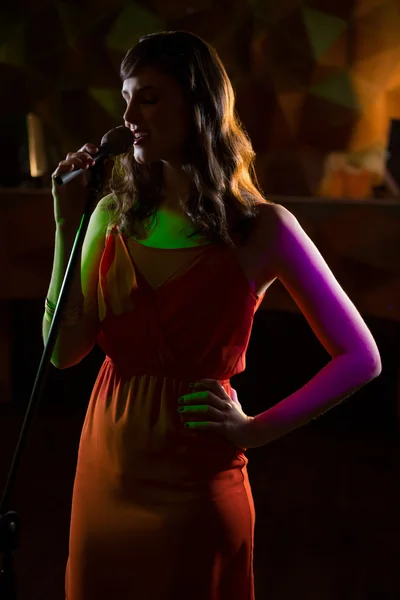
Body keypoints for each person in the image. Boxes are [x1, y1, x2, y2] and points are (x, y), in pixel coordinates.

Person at [43, 30, 381, 600]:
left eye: (148, 97)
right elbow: (62, 351)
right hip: (105, 473)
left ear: (198, 105)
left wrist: (255, 429)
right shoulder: (107, 214)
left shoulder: (263, 227)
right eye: (125, 98)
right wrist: (64, 224)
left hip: (197, 485)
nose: (128, 115)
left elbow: (361, 357)